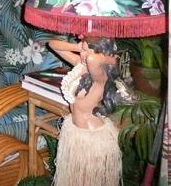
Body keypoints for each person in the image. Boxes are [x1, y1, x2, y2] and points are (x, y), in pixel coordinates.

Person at [48, 37, 123, 186]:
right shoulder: (80, 64)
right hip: (75, 130)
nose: (83, 55)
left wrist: (109, 58)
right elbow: (52, 44)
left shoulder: (101, 76)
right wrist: (79, 47)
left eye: (87, 51)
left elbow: (93, 59)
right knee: (74, 178)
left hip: (91, 136)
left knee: (89, 180)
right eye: (82, 50)